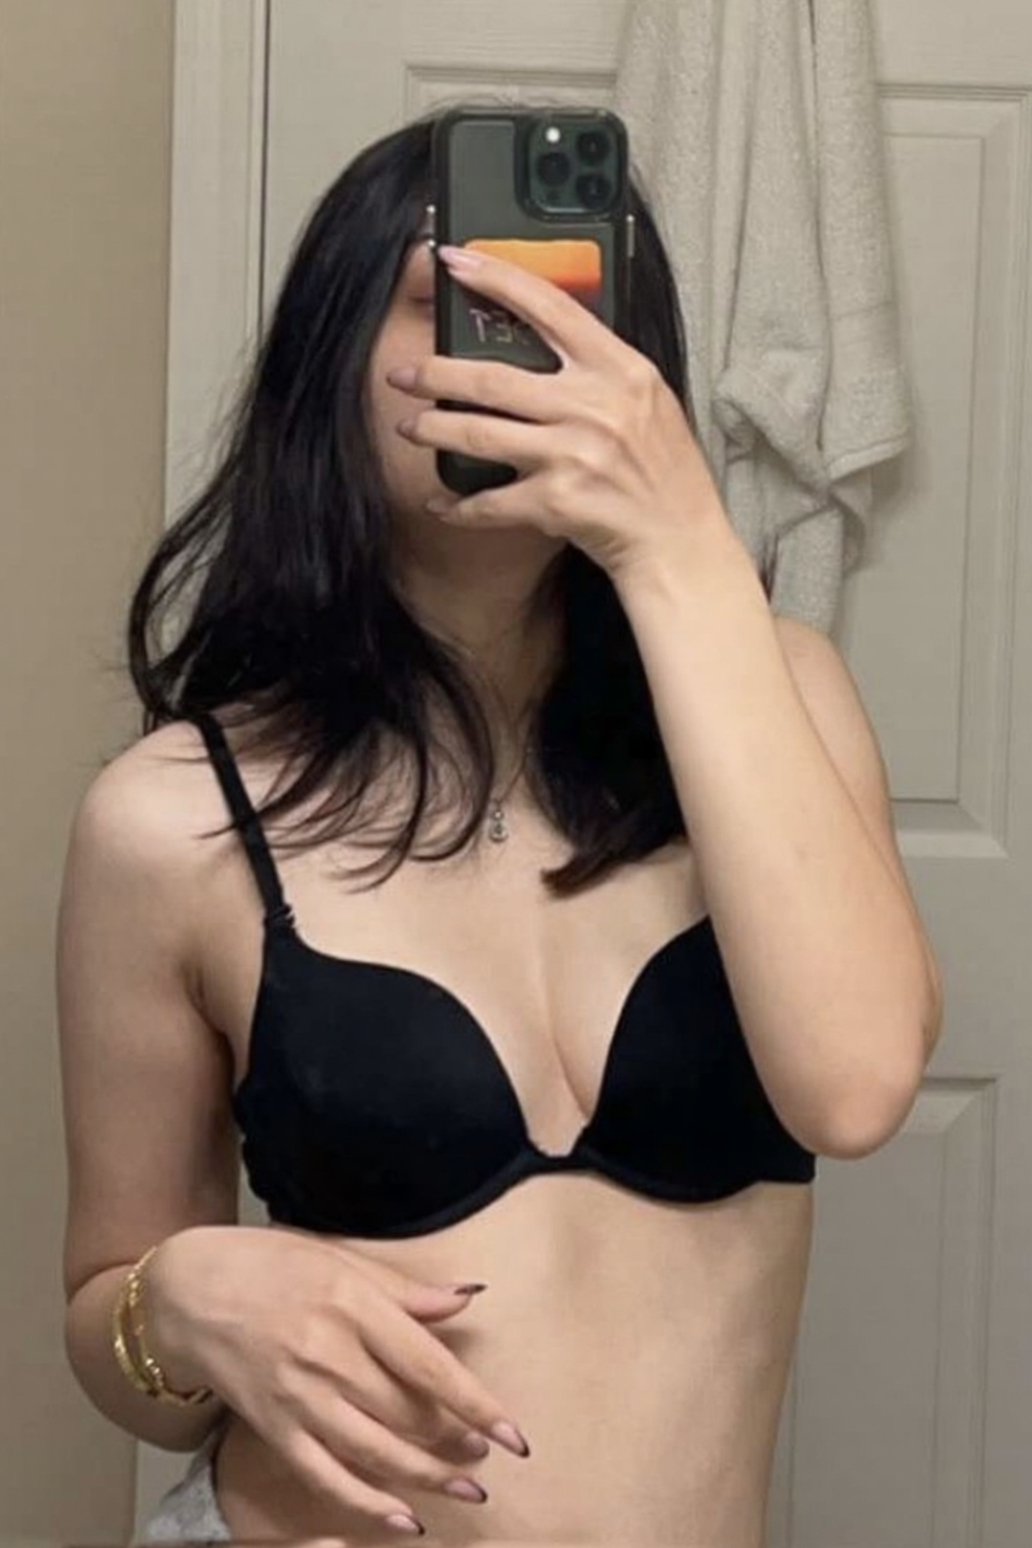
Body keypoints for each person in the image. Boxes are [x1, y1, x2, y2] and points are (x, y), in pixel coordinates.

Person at [57, 107, 943, 1548]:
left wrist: (676, 539)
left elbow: (853, 1088)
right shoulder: (173, 819)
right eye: (457, 305)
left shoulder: (779, 698)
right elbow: (116, 1327)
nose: (509, 354)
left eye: (559, 310)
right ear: (331, 361)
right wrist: (178, 1304)